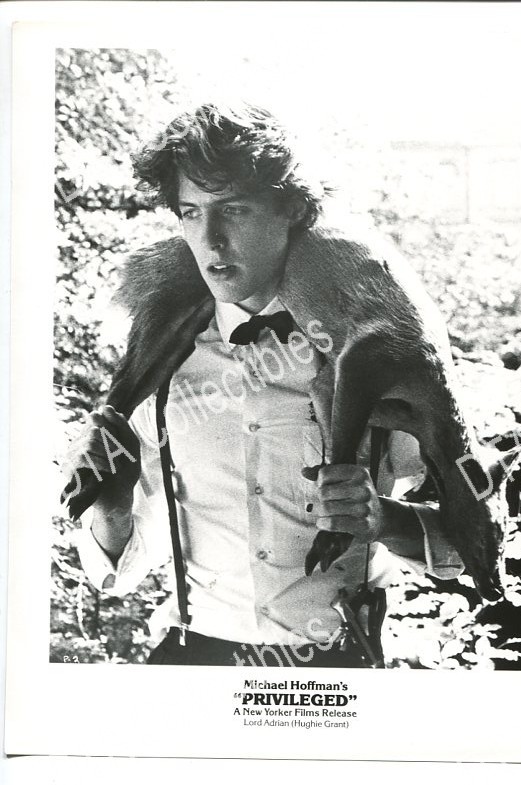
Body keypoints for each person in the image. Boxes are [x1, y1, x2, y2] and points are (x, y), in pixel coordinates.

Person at [68, 103, 463, 667]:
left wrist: (384, 520)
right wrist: (111, 510)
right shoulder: (159, 362)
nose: (211, 240)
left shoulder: (368, 350)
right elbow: (122, 570)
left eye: (234, 210)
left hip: (335, 667)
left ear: (292, 211)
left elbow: (461, 544)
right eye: (191, 212)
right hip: (193, 660)